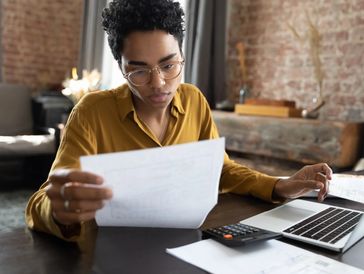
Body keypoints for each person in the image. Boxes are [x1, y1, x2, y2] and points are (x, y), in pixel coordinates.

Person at [25, 0, 332, 241]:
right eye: (139, 70)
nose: (159, 83)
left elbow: (221, 170)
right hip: (112, 249)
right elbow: (43, 199)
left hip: (188, 242)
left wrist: (280, 185)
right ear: (120, 69)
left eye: (169, 65)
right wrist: (59, 211)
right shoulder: (92, 112)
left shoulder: (195, 100)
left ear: (182, 56)